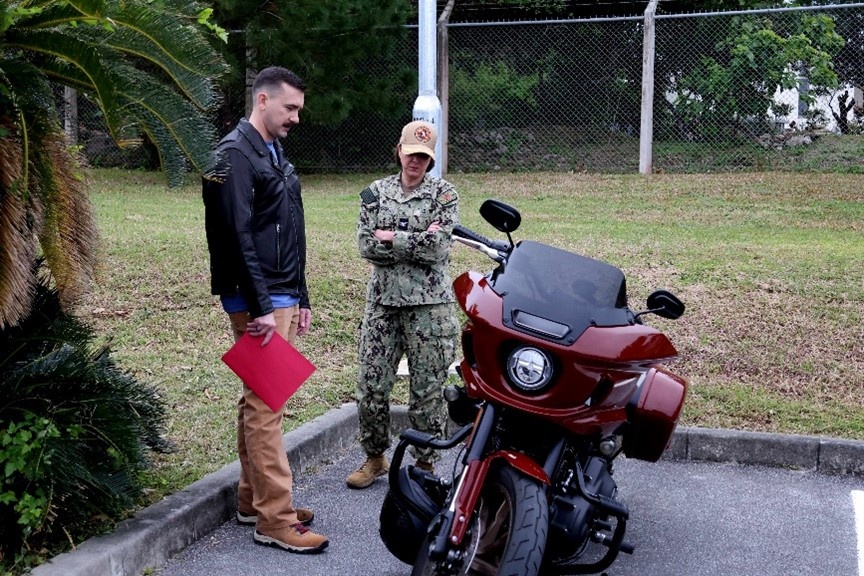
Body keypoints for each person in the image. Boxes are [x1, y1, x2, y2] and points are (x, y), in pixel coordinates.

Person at [202, 66, 328, 553]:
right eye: (289, 108)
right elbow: (235, 236)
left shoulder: (271, 149)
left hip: (279, 291)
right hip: (258, 297)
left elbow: (287, 226)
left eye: (299, 109)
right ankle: (275, 518)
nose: (296, 117)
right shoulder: (235, 154)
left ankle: (253, 499)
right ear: (262, 100)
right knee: (267, 404)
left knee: (260, 398)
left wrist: (301, 295)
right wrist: (260, 305)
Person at [346, 120, 460, 489]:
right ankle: (375, 457)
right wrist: (416, 239)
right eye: (411, 154)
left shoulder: (444, 195)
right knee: (371, 387)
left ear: (431, 159)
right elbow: (366, 246)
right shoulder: (375, 194)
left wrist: (391, 237)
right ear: (399, 151)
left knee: (427, 390)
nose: (416, 162)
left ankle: (424, 466)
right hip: (383, 305)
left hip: (430, 308)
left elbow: (440, 247)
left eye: (424, 157)